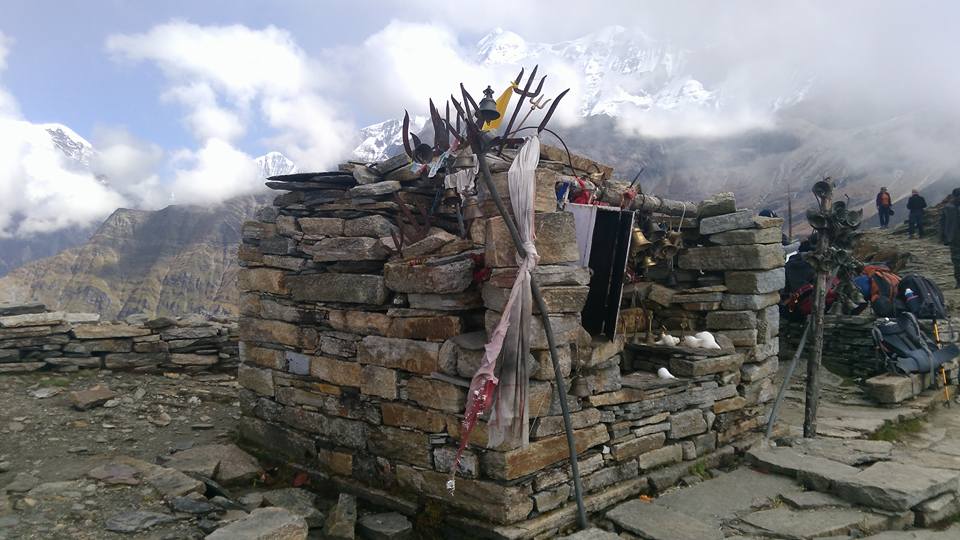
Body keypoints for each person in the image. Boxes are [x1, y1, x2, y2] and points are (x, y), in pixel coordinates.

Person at [945, 188, 960, 287]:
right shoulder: (948, 207)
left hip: (953, 237)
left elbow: (942, 223)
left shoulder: (948, 207)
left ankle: (959, 281)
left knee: (956, 259)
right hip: (954, 237)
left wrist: (945, 237)